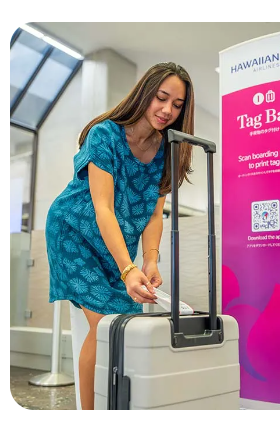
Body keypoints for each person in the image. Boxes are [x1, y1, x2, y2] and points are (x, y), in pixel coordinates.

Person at [46, 62, 196, 410]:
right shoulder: (106, 135)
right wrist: (127, 269)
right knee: (108, 327)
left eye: (177, 105)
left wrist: (150, 259)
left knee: (122, 327)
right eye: (162, 98)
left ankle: (115, 407)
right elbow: (103, 208)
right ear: (145, 93)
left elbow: (155, 213)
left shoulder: (168, 150)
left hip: (116, 244)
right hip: (74, 233)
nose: (167, 110)